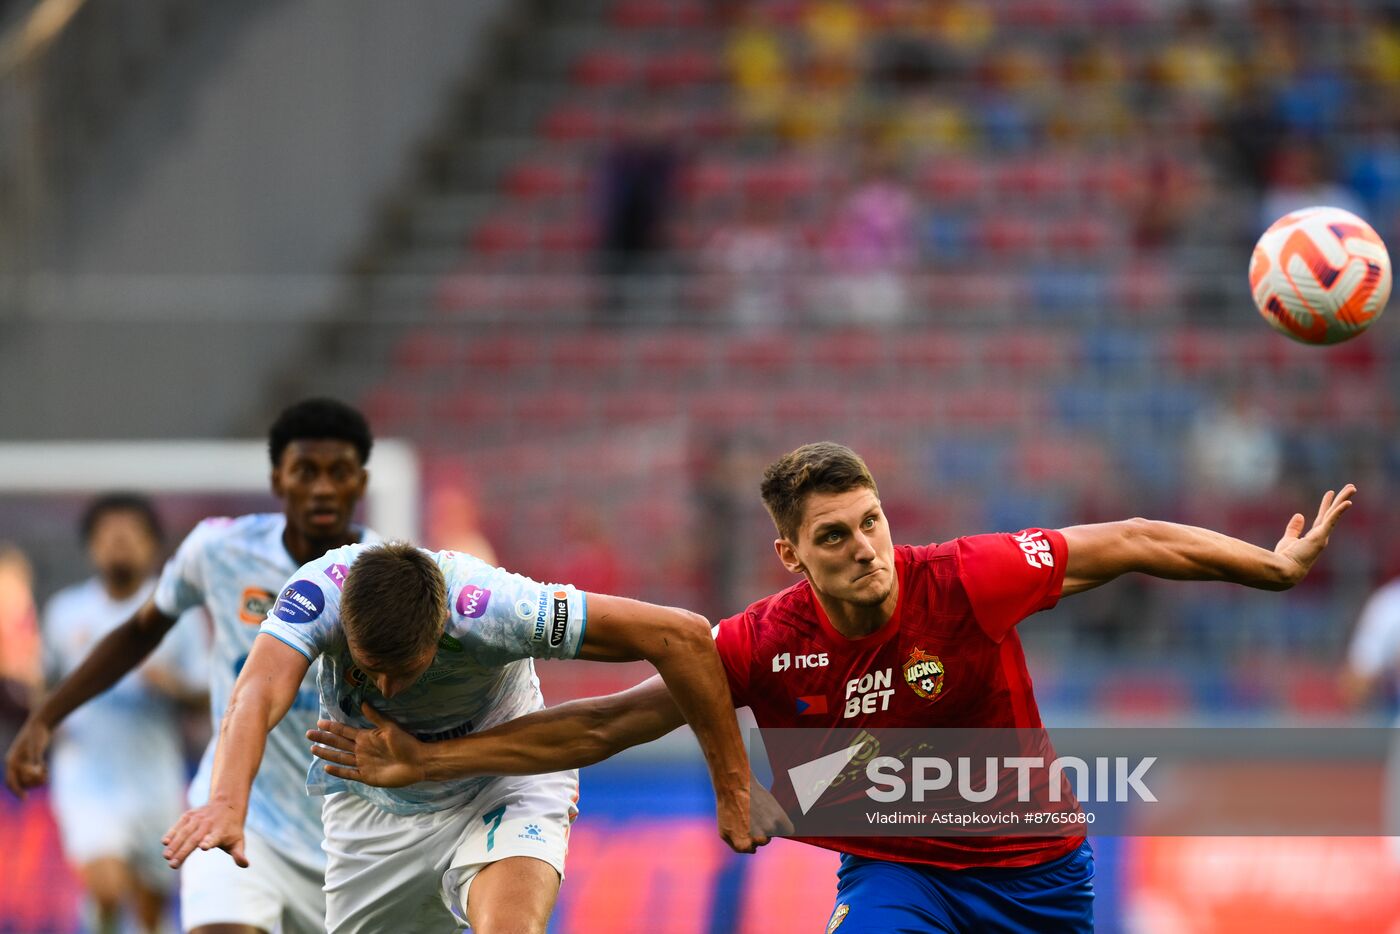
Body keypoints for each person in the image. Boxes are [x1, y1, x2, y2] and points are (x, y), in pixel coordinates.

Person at [306, 441, 1355, 933]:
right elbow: (607, 724)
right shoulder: (762, 642)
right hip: (897, 878)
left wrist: (1262, 565)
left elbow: (1126, 539)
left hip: (1040, 876)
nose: (866, 549)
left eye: (871, 522)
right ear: (788, 555)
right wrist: (433, 761)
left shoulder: (965, 578)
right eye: (834, 537)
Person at [160, 540, 752, 934]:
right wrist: (226, 800)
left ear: (442, 629)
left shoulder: (497, 611)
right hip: (373, 807)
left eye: (407, 669)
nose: (386, 690)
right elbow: (256, 690)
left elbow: (683, 636)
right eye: (369, 667)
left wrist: (731, 783)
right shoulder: (319, 593)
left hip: (502, 783)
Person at [6, 398, 377, 934]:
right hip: (238, 811)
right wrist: (46, 716)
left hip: (349, 830)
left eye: (338, 473)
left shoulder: (388, 574)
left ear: (361, 481)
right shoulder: (220, 550)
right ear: (278, 478)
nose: (322, 488)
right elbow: (138, 632)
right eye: (305, 471)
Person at [40, 494, 206, 934]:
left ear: (153, 545)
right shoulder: (65, 611)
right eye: (107, 535)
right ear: (91, 546)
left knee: (150, 908)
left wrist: (172, 686)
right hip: (86, 774)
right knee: (108, 886)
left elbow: (209, 698)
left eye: (130, 533)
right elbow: (44, 688)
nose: (118, 543)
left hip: (153, 775)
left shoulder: (177, 613)